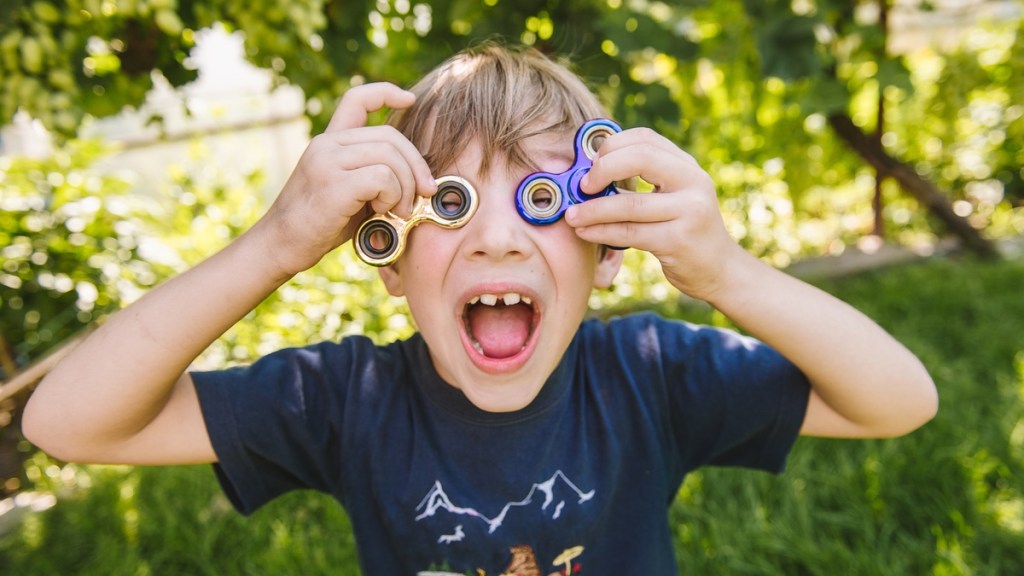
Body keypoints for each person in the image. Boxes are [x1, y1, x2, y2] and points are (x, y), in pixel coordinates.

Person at [23, 42, 938, 574]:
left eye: (541, 201)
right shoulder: (346, 400)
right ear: (385, 256)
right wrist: (276, 244)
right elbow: (66, 422)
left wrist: (730, 273)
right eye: (450, 203)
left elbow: (899, 401)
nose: (498, 241)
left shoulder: (652, 375)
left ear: (608, 249)